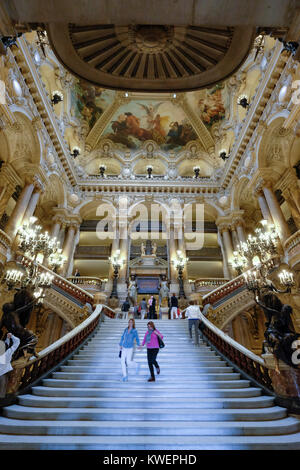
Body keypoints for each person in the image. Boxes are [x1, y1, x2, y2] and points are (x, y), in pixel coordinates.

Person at [0, 332, 20, 397]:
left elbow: (6, 344)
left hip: (3, 374)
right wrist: (11, 336)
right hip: (3, 375)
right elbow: (17, 342)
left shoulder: (6, 352)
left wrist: (8, 338)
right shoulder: (8, 353)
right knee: (2, 393)